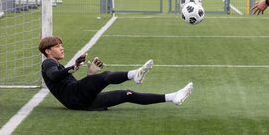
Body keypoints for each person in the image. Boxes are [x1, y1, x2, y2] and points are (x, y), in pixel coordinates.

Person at [39, 36, 193, 111]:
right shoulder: (48, 62)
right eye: (57, 46)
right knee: (106, 76)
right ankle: (134, 74)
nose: (62, 48)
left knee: (127, 94)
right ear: (48, 51)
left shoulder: (56, 64)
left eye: (61, 46)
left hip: (79, 101)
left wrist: (90, 74)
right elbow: (54, 76)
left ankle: (172, 97)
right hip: (76, 96)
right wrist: (73, 66)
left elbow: (70, 86)